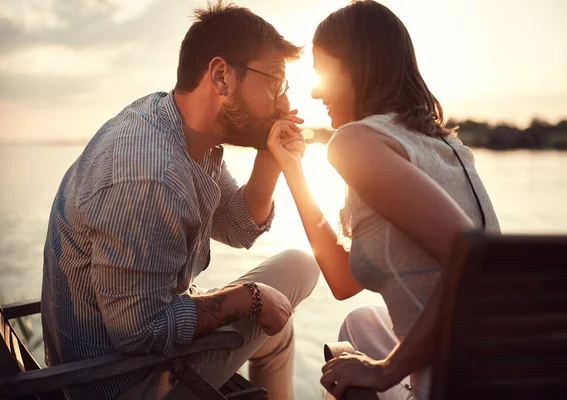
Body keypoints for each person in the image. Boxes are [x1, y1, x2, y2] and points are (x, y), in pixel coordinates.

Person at [40, 3, 320, 400]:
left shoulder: (179, 130)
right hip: (121, 382)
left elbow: (239, 227)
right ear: (221, 76)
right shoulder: (152, 174)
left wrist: (272, 157)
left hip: (131, 354)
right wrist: (246, 297)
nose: (282, 102)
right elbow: (140, 334)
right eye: (275, 83)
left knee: (280, 322)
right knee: (301, 270)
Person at [266, 1, 501, 399]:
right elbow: (343, 281)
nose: (315, 90)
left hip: (457, 381)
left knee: (346, 364)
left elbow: (470, 255)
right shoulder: (445, 145)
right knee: (360, 323)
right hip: (502, 358)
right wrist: (293, 171)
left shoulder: (357, 142)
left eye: (323, 71)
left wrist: (386, 370)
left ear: (356, 70)